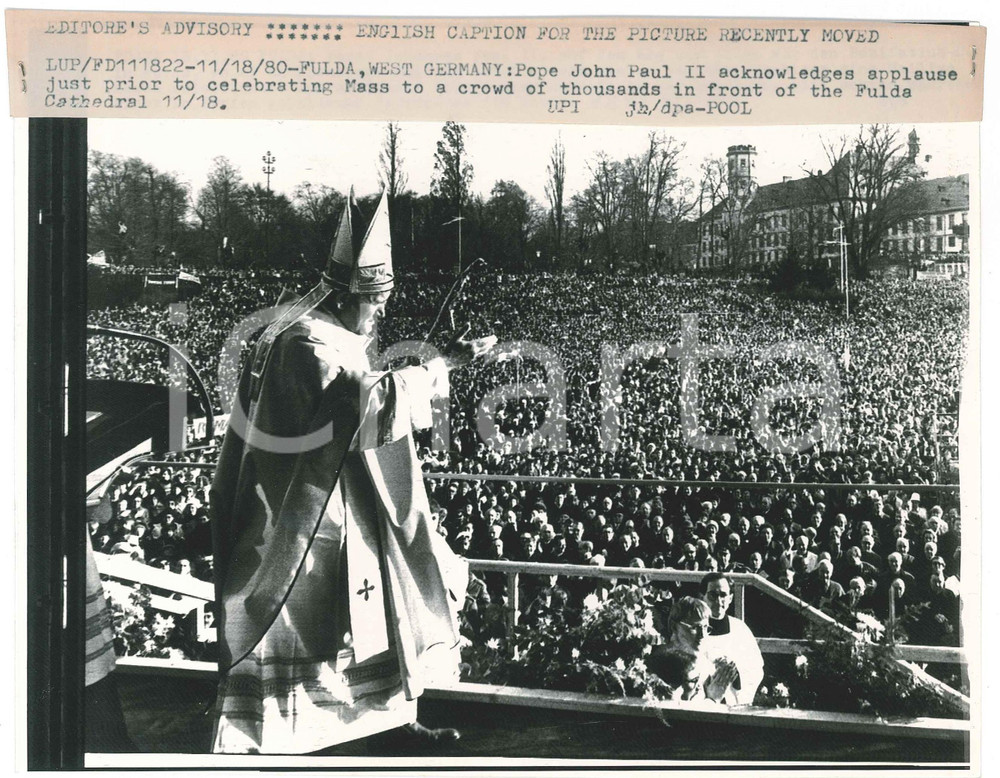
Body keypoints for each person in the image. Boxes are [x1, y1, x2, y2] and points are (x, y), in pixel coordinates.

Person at [210, 191, 495, 754]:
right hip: (298, 520)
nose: (381, 313)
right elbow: (361, 406)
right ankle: (288, 741)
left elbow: (359, 398)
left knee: (372, 611)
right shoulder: (304, 345)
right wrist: (445, 364)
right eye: (376, 302)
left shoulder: (318, 332)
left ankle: (389, 720)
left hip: (331, 497)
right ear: (346, 295)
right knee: (313, 629)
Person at [699, 572, 764, 705]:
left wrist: (735, 673)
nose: (718, 601)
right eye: (712, 595)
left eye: (723, 595)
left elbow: (756, 669)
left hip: (734, 700)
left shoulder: (740, 629)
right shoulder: (694, 628)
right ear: (702, 597)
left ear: (730, 598)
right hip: (703, 699)